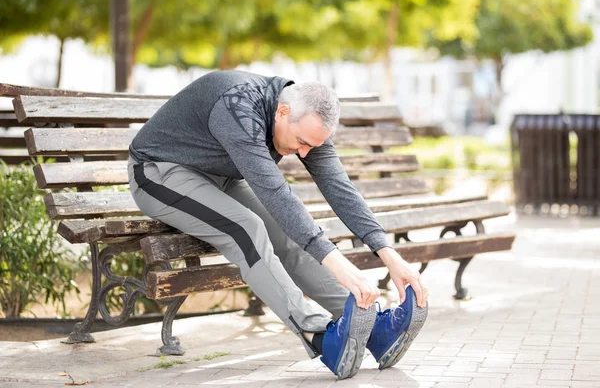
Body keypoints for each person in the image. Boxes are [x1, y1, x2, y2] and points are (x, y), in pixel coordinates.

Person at [128, 70, 429, 379]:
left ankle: (371, 330)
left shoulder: (305, 120)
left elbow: (339, 188)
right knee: (247, 228)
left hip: (217, 178)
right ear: (282, 112)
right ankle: (322, 338)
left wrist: (389, 254)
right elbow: (278, 196)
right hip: (158, 173)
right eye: (301, 143)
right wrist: (339, 264)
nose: (304, 153)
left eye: (312, 146)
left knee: (288, 233)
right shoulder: (236, 108)